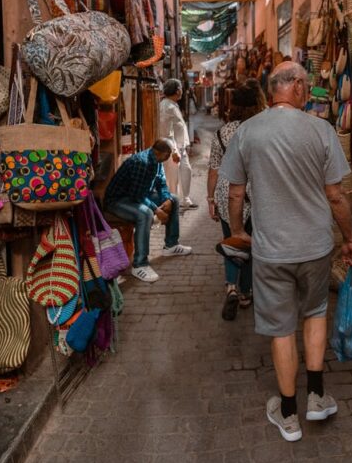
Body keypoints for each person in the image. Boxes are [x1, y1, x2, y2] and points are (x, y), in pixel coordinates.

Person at [219, 62, 352, 443]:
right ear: (297, 86)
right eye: (307, 84)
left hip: (271, 250)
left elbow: (235, 192)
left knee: (281, 328)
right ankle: (316, 397)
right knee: (315, 313)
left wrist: (236, 232)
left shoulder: (247, 132)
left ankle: (288, 415)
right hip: (315, 246)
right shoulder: (321, 130)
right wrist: (349, 239)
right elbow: (336, 194)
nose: (308, 89)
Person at [206, 79, 266, 321]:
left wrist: (210, 198)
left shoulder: (223, 132)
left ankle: (231, 286)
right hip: (256, 192)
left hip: (226, 191)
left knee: (232, 241)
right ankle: (246, 293)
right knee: (250, 244)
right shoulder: (263, 130)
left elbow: (213, 169)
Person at [102, 139, 192, 283]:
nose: (169, 158)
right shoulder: (141, 163)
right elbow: (136, 195)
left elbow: (161, 183)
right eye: (167, 155)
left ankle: (171, 244)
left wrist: (166, 199)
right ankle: (139, 264)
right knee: (146, 214)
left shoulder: (157, 161)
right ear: (159, 153)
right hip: (118, 200)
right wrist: (157, 210)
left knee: (174, 199)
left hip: (138, 194)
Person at [158, 78, 196, 209]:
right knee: (172, 176)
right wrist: (174, 149)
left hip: (180, 146)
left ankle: (185, 199)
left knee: (186, 170)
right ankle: (172, 202)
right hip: (173, 147)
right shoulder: (167, 106)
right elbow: (166, 131)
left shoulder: (172, 104)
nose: (181, 91)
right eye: (180, 88)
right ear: (176, 90)